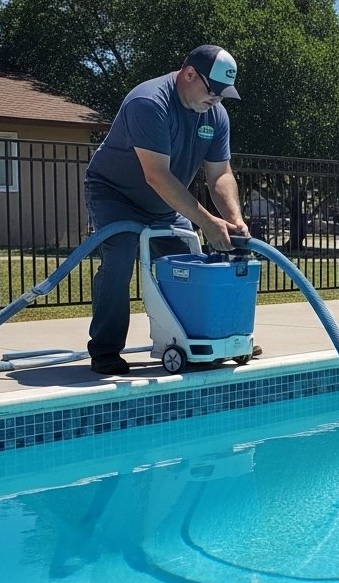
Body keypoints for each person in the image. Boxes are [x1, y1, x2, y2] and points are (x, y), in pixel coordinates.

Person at [83, 44, 249, 375]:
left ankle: (199, 340)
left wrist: (233, 219)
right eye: (212, 91)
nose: (216, 100)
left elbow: (220, 175)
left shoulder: (214, 115)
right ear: (189, 74)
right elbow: (156, 175)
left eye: (222, 95)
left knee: (187, 267)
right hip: (115, 194)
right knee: (120, 255)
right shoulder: (149, 102)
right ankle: (105, 349)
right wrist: (204, 221)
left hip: (163, 203)